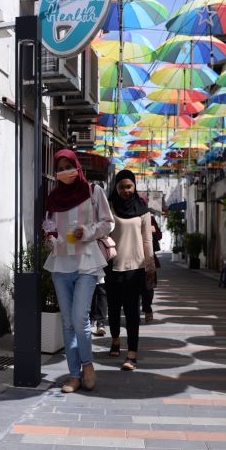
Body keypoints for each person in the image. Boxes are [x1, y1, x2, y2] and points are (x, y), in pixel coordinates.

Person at [43, 150, 114, 393]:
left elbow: (108, 222)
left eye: (68, 165)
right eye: (60, 167)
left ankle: (88, 365)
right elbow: (49, 224)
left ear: (77, 166)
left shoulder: (93, 191)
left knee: (79, 318)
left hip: (86, 262)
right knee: (67, 322)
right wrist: (50, 236)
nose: (64, 171)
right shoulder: (53, 198)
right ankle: (73, 375)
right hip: (60, 263)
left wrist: (88, 230)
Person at [106, 171, 157, 371]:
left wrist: (150, 265)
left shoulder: (143, 211)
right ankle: (116, 339)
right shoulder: (109, 207)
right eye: (121, 187)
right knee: (113, 308)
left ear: (134, 187)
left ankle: (132, 355)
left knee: (132, 311)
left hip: (136, 267)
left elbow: (147, 240)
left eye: (129, 187)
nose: (125, 191)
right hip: (112, 266)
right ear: (116, 188)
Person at [142, 212, 163, 324]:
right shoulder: (126, 216)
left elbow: (159, 235)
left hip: (148, 258)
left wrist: (153, 231)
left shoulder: (150, 218)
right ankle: (133, 313)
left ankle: (147, 310)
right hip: (131, 257)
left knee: (148, 288)